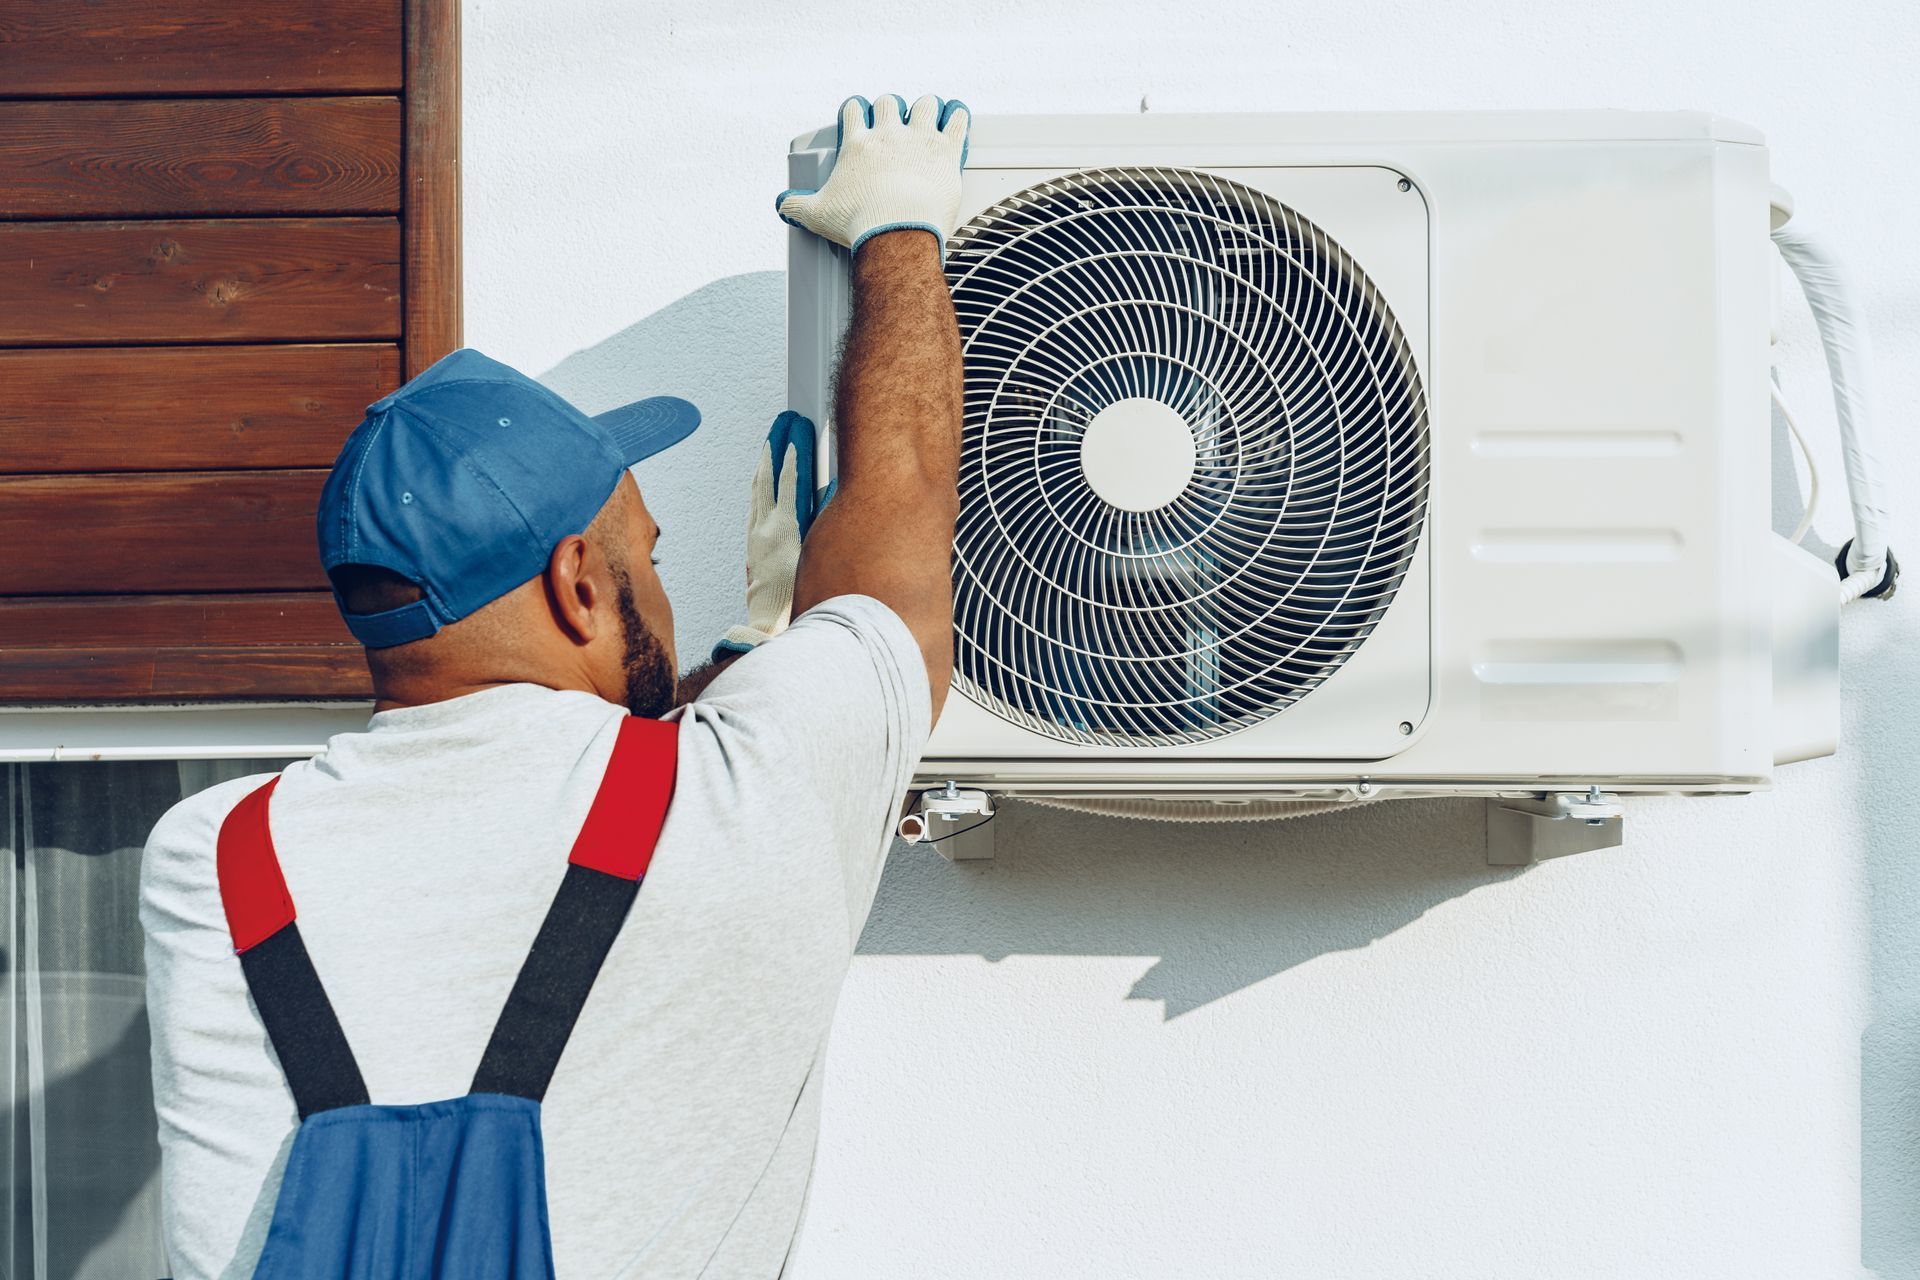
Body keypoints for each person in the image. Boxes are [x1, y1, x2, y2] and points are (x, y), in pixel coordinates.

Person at [141, 92, 968, 1278]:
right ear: (580, 584)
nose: (660, 579)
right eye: (650, 552)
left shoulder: (211, 858)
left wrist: (743, 661)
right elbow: (898, 519)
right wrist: (901, 231)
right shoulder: (753, 793)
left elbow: (519, 823)